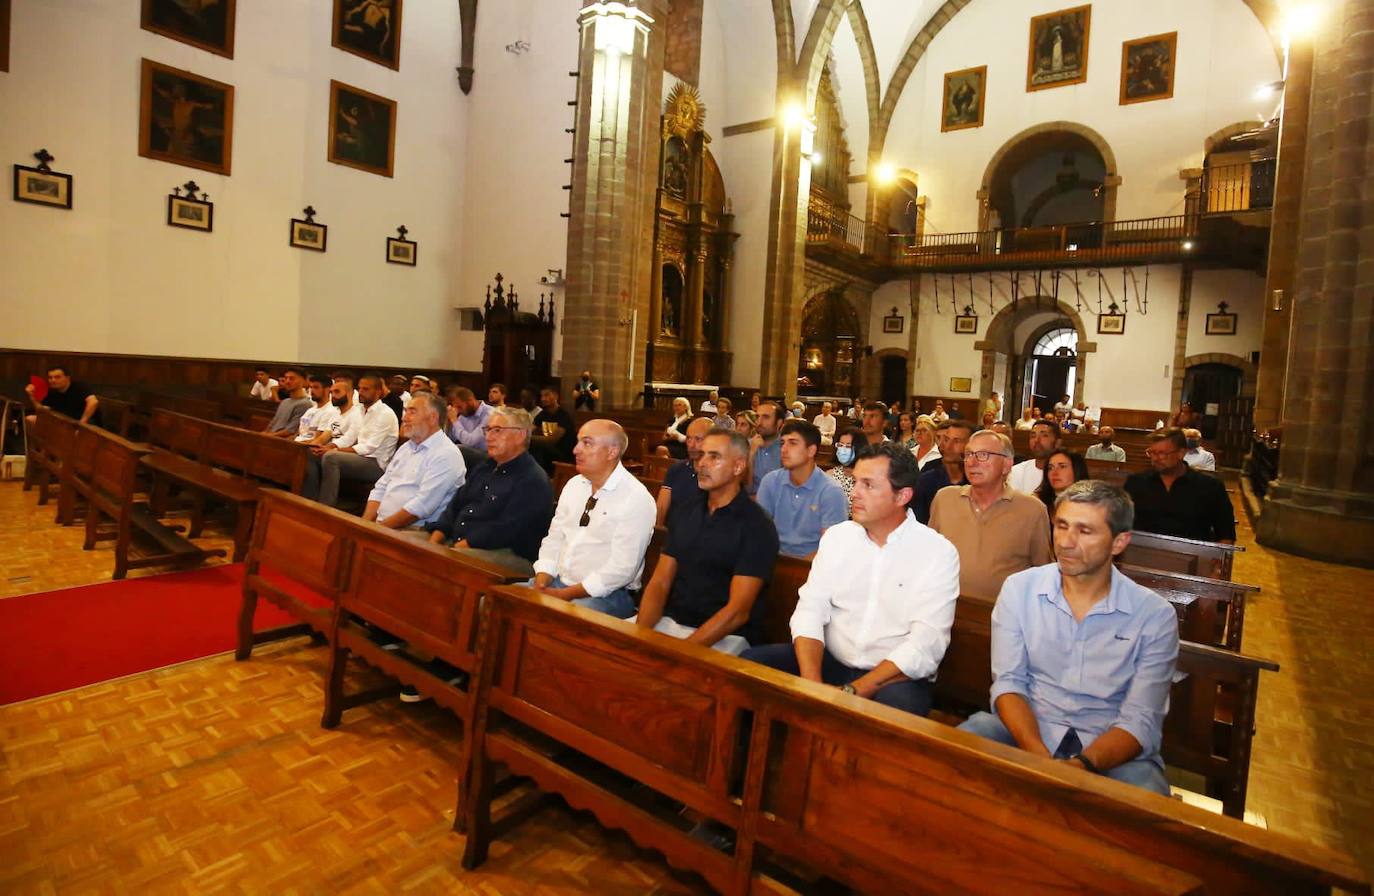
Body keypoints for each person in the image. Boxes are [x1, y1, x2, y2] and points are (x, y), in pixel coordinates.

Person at [958, 481, 1179, 796]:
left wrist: (1081, 766)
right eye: (1061, 526)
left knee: (1147, 805)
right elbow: (1009, 684)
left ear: (1119, 542)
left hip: (1108, 745)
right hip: (1031, 728)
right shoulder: (1020, 589)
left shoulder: (1153, 615)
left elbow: (1140, 718)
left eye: (1085, 531)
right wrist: (1038, 755)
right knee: (961, 747)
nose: (1066, 542)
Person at [742, 443, 960, 716]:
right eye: (856, 481)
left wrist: (852, 692)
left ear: (902, 495)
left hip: (892, 676)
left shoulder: (936, 552)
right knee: (750, 666)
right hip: (832, 660)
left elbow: (926, 644)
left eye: (868, 485)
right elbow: (811, 608)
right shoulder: (839, 537)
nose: (854, 493)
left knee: (893, 714)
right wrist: (812, 683)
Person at [634, 429, 779, 655]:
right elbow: (660, 582)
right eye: (701, 455)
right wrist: (640, 635)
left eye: (714, 456)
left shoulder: (757, 526)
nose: (702, 463)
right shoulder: (686, 510)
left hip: (725, 636)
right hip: (672, 622)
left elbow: (737, 611)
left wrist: (682, 652)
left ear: (738, 466)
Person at [533, 420, 657, 618]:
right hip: (557, 582)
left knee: (558, 622)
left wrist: (564, 595)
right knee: (501, 601)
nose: (575, 450)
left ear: (612, 452)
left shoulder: (636, 498)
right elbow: (554, 537)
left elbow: (621, 569)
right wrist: (542, 579)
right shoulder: (574, 485)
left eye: (587, 443)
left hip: (607, 595)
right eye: (578, 442)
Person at [424, 407, 555, 574]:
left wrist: (459, 547)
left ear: (520, 435)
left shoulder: (532, 479)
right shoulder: (485, 467)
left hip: (505, 552)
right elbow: (455, 506)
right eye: (488, 430)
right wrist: (436, 538)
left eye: (498, 430)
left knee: (444, 566)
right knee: (408, 548)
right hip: (457, 541)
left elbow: (506, 530)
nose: (489, 437)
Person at [929, 430, 1053, 600]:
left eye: (983, 455)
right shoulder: (945, 498)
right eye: (968, 454)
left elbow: (1043, 572)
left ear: (1007, 465)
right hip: (945, 608)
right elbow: (929, 555)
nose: (971, 462)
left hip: (1002, 616)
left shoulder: (1032, 510)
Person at [361, 391, 465, 530]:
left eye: (412, 412)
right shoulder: (406, 447)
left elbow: (421, 506)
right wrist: (364, 525)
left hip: (415, 530)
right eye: (405, 411)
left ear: (433, 418)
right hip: (383, 526)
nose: (404, 418)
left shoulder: (446, 454)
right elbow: (381, 488)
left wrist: (378, 530)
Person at [755, 419, 848, 558]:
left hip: (811, 567)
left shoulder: (831, 491)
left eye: (792, 443)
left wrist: (794, 571)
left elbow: (830, 548)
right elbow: (758, 532)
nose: (784, 449)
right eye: (782, 443)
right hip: (770, 560)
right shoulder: (770, 481)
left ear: (811, 450)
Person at [1124, 429, 1235, 543]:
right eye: (1152, 453)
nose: (1155, 459)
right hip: (1141, 553)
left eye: (1162, 453)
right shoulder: (1136, 482)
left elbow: (1226, 534)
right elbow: (1120, 523)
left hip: (1193, 556)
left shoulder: (1211, 487)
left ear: (1181, 453)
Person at [304, 375, 399, 508]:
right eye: (359, 389)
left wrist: (334, 450)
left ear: (378, 392)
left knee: (331, 457)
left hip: (376, 463)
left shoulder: (385, 414)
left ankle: (325, 507)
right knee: (312, 453)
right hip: (360, 457)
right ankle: (308, 501)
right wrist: (329, 446)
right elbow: (350, 437)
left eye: (366, 389)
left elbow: (368, 448)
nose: (360, 392)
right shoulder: (360, 410)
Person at [911, 420, 972, 525]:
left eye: (956, 441)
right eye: (947, 440)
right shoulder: (926, 481)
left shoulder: (977, 481)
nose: (948, 446)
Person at [657, 416, 712, 526]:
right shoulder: (676, 469)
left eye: (698, 439)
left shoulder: (717, 473)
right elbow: (662, 507)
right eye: (688, 439)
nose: (691, 445)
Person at [24, 365, 101, 427]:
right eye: (50, 377)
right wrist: (32, 396)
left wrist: (82, 423)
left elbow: (93, 402)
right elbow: (41, 411)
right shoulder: (52, 391)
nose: (53, 380)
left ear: (67, 378)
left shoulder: (79, 387)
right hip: (63, 422)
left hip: (84, 424)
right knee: (30, 419)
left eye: (57, 377)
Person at [530, 385, 576, 474]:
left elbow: (552, 440)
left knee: (538, 448)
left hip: (562, 453)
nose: (543, 399)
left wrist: (528, 437)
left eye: (547, 395)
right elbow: (531, 429)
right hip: (547, 451)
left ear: (556, 396)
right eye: (542, 396)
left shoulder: (563, 415)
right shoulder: (542, 414)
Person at [1033, 449, 1091, 518]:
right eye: (1050, 468)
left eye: (1062, 467)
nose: (1054, 473)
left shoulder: (1090, 504)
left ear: (1077, 470)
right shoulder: (1036, 501)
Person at [1008, 418, 1061, 494]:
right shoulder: (1017, 471)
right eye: (1033, 436)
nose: (1037, 440)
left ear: (1057, 443)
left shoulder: (1066, 473)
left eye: (1044, 435)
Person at [445, 385, 492, 468]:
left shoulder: (489, 414)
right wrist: (448, 423)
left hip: (489, 455)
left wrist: (454, 420)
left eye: (459, 407)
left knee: (460, 449)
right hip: (470, 456)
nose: (458, 410)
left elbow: (470, 442)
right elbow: (449, 440)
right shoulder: (464, 414)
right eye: (455, 407)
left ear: (470, 401)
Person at [263, 368, 312, 437]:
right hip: (272, 437)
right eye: (286, 378)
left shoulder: (305, 404)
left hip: (282, 441)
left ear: (303, 381)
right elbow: (273, 422)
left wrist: (269, 435)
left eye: (292, 379)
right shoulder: (285, 402)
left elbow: (291, 430)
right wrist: (264, 433)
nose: (287, 381)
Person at [748, 401, 784, 494]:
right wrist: (751, 454)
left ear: (779, 423)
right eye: (757, 417)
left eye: (766, 417)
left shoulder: (786, 448)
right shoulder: (746, 445)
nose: (759, 422)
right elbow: (743, 488)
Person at [294, 374, 335, 442]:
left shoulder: (331, 411)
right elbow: (300, 433)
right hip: (299, 441)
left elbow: (318, 439)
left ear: (327, 390)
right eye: (311, 387)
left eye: (316, 387)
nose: (312, 391)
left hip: (309, 447)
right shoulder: (310, 410)